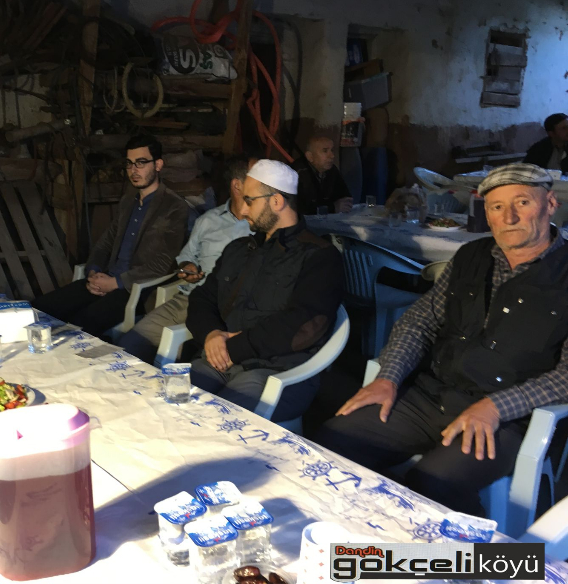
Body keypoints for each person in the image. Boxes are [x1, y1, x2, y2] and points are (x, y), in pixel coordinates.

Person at [315, 163, 568, 515]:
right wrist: (388, 376)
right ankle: (367, 530)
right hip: (434, 395)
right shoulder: (470, 256)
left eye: (522, 202)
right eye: (497, 207)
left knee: (434, 483)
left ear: (551, 204)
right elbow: (420, 320)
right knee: (333, 443)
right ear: (487, 214)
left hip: (511, 417)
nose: (509, 217)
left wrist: (497, 406)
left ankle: (471, 550)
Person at [186, 159, 346, 421]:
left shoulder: (319, 257)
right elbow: (202, 298)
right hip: (219, 361)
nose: (242, 209)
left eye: (249, 201)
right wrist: (211, 334)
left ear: (277, 201)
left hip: (278, 372)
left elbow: (303, 324)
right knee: (169, 404)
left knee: (217, 420)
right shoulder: (239, 250)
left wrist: (235, 347)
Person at [33, 135, 188, 337]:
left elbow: (165, 263)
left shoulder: (174, 206)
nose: (133, 170)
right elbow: (104, 243)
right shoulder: (128, 201)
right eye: (129, 164)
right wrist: (93, 272)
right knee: (38, 309)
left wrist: (115, 283)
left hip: (135, 289)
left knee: (79, 327)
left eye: (141, 163)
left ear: (158, 165)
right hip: (105, 278)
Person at [119, 156, 254, 364]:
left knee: (174, 360)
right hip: (190, 298)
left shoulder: (265, 227)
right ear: (237, 185)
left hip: (229, 307)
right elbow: (187, 256)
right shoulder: (208, 220)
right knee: (128, 346)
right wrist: (187, 267)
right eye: (258, 178)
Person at [293, 136, 353, 215]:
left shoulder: (331, 169)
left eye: (332, 150)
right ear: (310, 156)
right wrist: (332, 207)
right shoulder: (297, 173)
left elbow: (345, 197)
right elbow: (300, 209)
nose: (332, 155)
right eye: (325, 151)